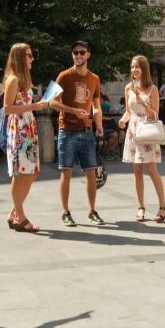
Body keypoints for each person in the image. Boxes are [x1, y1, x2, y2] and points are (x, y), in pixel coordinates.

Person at [49, 40, 105, 227]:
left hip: (87, 131)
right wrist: (73, 111)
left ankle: (92, 211)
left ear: (88, 54)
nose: (78, 56)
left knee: (91, 172)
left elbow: (96, 105)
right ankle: (65, 212)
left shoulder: (94, 78)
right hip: (67, 131)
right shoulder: (64, 76)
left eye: (81, 52)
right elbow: (52, 102)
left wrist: (98, 124)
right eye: (75, 53)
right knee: (66, 171)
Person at [2, 43, 47, 231]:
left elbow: (22, 103)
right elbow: (7, 108)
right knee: (20, 173)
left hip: (27, 127)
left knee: (32, 171)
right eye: (29, 55)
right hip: (19, 129)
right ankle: (20, 217)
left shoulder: (23, 79)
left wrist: (36, 105)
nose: (32, 58)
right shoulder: (13, 79)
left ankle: (14, 213)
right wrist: (33, 107)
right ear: (20, 57)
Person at [119, 55, 165, 222]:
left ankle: (163, 207)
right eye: (132, 67)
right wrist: (122, 121)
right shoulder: (128, 88)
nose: (134, 70)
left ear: (144, 69)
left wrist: (142, 101)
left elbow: (155, 114)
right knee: (137, 171)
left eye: (137, 67)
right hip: (134, 131)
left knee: (152, 170)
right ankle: (140, 207)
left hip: (148, 130)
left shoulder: (152, 89)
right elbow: (128, 111)